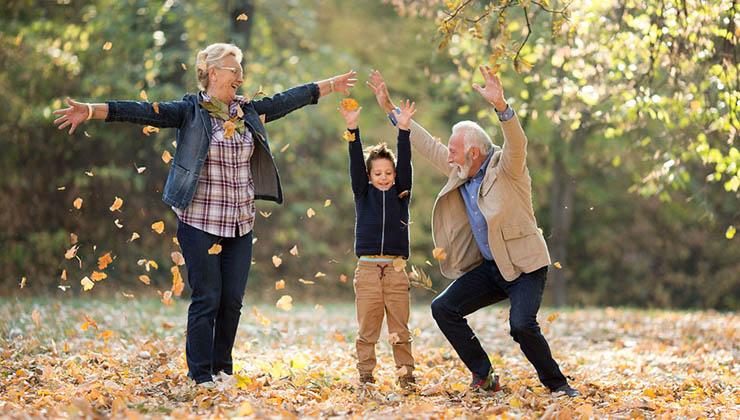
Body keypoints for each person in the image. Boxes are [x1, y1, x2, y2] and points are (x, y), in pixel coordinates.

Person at [53, 43, 357, 387]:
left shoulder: (249, 112)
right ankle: (200, 374)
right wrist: (91, 110)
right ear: (213, 72)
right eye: (233, 69)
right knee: (207, 296)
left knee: (231, 301)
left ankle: (222, 369)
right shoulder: (190, 110)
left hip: (241, 221)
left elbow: (289, 99)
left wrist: (331, 85)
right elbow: (143, 111)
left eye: (241, 69)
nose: (240, 76)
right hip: (200, 221)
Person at [367, 67, 580, 397]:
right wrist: (387, 106)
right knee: (444, 308)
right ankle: (485, 375)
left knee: (522, 325)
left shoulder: (507, 168)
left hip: (525, 267)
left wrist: (502, 108)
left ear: (474, 153)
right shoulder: (459, 169)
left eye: (455, 150)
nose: (448, 155)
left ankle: (558, 385)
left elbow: (517, 142)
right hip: (492, 269)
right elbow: (425, 143)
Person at [337, 99, 418, 391]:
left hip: (396, 271)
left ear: (395, 176)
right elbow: (355, 162)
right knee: (368, 328)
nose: (383, 178)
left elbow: (406, 161)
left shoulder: (401, 194)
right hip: (368, 270)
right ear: (369, 177)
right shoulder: (362, 193)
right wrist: (352, 128)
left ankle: (406, 376)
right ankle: (366, 376)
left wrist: (404, 130)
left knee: (400, 329)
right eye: (377, 174)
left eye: (388, 173)